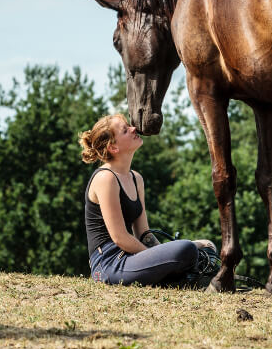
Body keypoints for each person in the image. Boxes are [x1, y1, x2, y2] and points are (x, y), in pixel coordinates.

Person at [79, 113, 214, 286]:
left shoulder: (136, 179)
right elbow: (120, 237)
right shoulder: (105, 178)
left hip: (130, 258)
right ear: (113, 147)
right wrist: (157, 259)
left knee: (204, 247)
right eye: (126, 130)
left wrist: (160, 256)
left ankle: (177, 280)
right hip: (109, 264)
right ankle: (178, 278)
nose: (134, 128)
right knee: (186, 249)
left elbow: (144, 234)